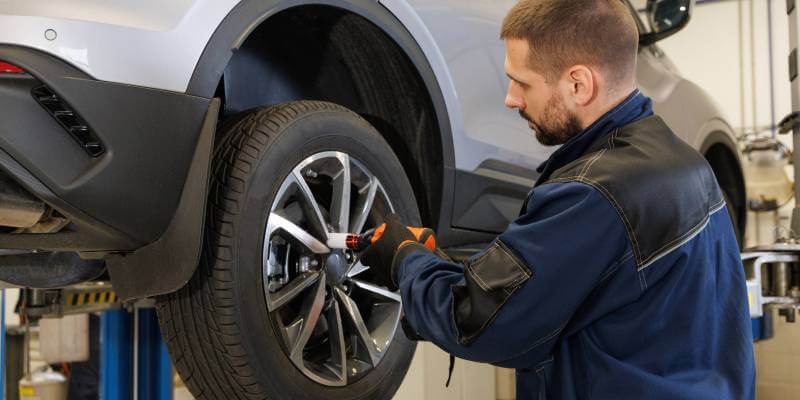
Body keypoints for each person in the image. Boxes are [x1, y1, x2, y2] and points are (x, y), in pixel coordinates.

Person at [359, 0, 756, 399]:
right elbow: (565, 288)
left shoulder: (593, 194)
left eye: (522, 82)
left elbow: (478, 325)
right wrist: (442, 267)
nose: (511, 99)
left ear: (578, 84)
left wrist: (405, 259)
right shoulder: (686, 164)